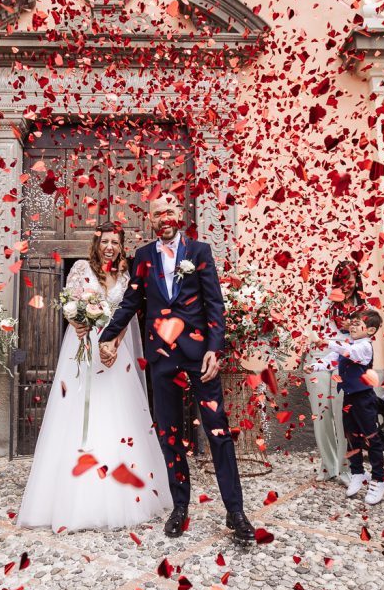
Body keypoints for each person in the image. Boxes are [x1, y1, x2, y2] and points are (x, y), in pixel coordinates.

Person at [99, 194, 256, 541]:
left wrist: (214, 349)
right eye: (158, 213)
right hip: (161, 357)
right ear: (151, 219)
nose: (164, 217)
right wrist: (106, 337)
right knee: (169, 435)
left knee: (217, 432)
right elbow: (131, 302)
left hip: (199, 356)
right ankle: (180, 507)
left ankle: (236, 512)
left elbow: (214, 303)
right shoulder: (143, 257)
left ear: (180, 213)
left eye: (169, 211)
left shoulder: (199, 252)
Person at [17, 223, 173, 531]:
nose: (110, 247)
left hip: (114, 351)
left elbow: (127, 315)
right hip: (84, 346)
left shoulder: (125, 277)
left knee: (117, 414)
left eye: (115, 242)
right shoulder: (80, 268)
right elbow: (70, 305)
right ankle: (73, 494)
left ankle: (121, 493)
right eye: (105, 241)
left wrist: (113, 344)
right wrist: (78, 323)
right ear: (96, 243)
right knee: (78, 413)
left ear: (121, 246)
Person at [317, 309, 384, 504]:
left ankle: (379, 479)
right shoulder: (348, 344)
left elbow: (350, 353)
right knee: (351, 436)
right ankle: (357, 472)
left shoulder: (364, 346)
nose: (352, 326)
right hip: (348, 397)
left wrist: (325, 341)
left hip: (364, 399)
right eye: (352, 323)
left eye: (358, 323)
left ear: (370, 330)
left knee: (371, 438)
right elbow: (332, 360)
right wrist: (314, 367)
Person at [304, 261, 362, 484]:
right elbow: (313, 327)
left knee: (342, 414)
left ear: (357, 280)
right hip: (319, 356)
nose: (347, 285)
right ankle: (328, 466)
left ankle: (344, 467)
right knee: (321, 414)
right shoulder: (325, 297)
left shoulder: (361, 303)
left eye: (351, 280)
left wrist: (352, 328)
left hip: (345, 360)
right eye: (342, 280)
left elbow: (366, 336)